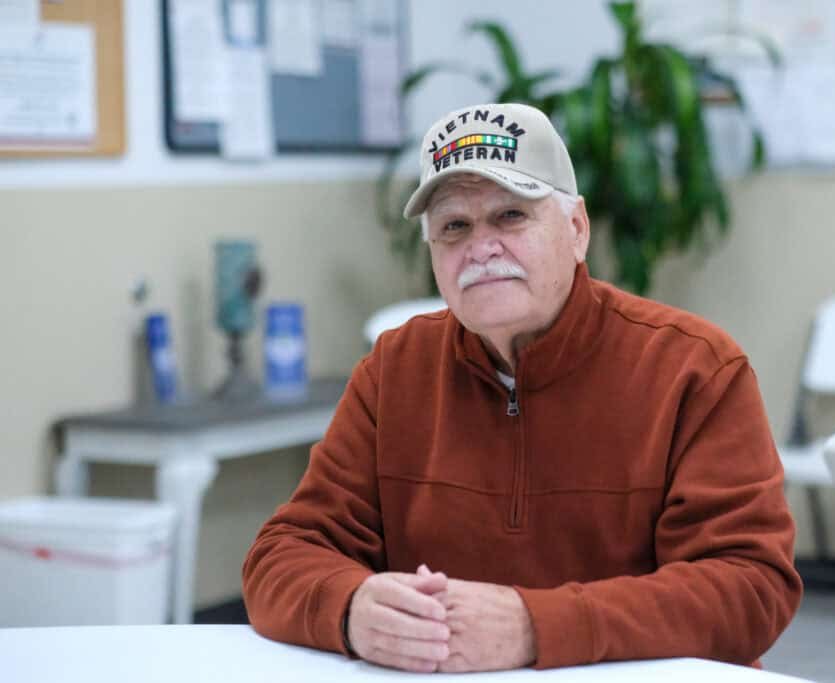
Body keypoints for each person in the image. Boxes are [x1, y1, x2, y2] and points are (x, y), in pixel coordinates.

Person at [242, 102, 802, 674]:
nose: (481, 248)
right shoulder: (394, 369)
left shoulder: (696, 369)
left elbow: (750, 587)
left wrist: (536, 627)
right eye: (454, 227)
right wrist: (352, 607)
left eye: (511, 215)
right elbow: (281, 555)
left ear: (577, 230)